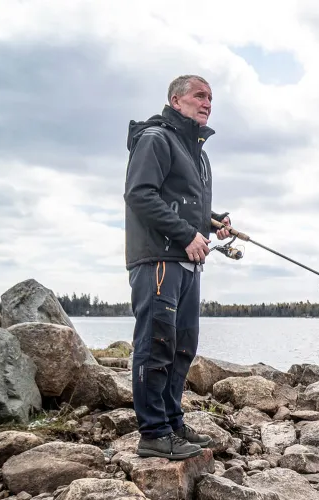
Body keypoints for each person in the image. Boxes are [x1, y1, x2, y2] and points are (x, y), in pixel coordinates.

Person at [123, 75, 232, 459]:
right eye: (199, 96)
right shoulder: (156, 139)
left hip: (187, 264)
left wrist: (213, 220)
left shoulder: (197, 153)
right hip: (157, 259)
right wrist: (188, 234)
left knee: (182, 346)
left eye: (211, 98)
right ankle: (152, 432)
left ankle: (172, 422)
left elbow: (181, 201)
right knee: (156, 346)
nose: (207, 103)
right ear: (175, 99)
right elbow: (140, 194)